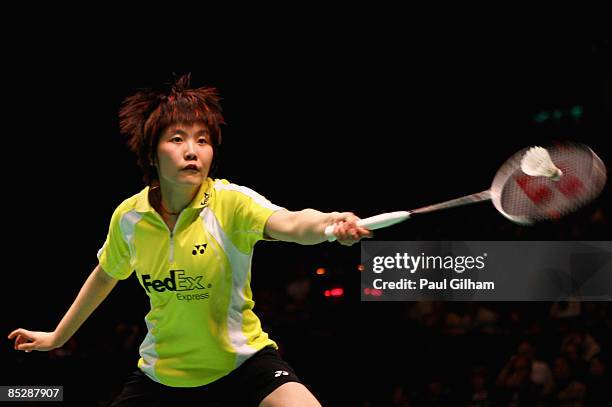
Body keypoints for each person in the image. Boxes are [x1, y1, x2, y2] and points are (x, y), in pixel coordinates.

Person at [8, 74, 372, 406]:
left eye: (203, 140)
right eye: (177, 139)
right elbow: (106, 274)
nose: (192, 150)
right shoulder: (130, 217)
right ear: (153, 153)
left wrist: (328, 223)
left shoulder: (231, 202)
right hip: (162, 376)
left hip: (242, 364)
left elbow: (291, 223)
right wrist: (58, 335)